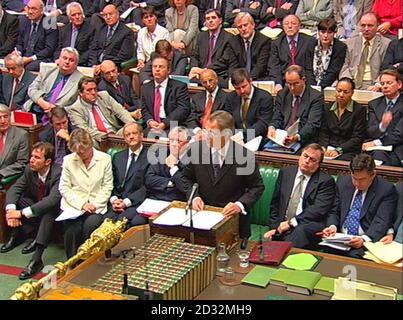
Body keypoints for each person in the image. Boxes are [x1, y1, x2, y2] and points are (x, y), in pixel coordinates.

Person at [182, 110, 265, 245]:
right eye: (205, 131)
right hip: (203, 217)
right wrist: (195, 196)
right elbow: (187, 178)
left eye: (212, 133)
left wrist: (240, 204)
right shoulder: (197, 150)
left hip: (232, 221)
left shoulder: (244, 156)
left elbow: (257, 187)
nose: (206, 136)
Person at [1, 142, 61, 280]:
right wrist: (11, 212)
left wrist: (21, 213)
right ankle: (18, 234)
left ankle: (37, 259)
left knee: (48, 211)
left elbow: (51, 201)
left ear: (48, 162)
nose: (32, 160)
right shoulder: (29, 169)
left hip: (55, 213)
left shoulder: (58, 173)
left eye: (37, 157)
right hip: (36, 207)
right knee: (20, 199)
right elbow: (15, 189)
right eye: (32, 156)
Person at [322, 154, 397, 258]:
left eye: (362, 179)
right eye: (354, 178)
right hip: (340, 237)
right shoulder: (343, 182)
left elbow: (381, 221)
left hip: (365, 239)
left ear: (373, 174)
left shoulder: (386, 190)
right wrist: (332, 226)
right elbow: (334, 211)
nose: (357, 183)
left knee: (354, 256)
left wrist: (364, 239)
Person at [264, 143, 336, 249]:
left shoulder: (325, 181)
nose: (307, 161)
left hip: (307, 225)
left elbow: (317, 210)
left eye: (312, 159)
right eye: (305, 156)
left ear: (319, 164)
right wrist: (275, 228)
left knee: (300, 231)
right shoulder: (286, 173)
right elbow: (275, 204)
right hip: (283, 226)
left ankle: (280, 253)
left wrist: (291, 222)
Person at [59, 128, 113, 259]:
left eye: (84, 151)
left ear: (90, 145)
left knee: (90, 226)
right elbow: (64, 187)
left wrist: (93, 205)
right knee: (72, 230)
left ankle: (87, 262)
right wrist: (82, 204)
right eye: (78, 152)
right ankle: (72, 262)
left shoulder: (104, 159)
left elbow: (107, 186)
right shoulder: (68, 160)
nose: (81, 154)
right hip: (74, 205)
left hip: (96, 205)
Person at [67, 77, 136, 149]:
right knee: (87, 141)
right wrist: (105, 137)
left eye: (95, 89)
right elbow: (85, 129)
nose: (93, 93)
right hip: (97, 139)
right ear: (80, 93)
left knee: (130, 129)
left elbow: (121, 112)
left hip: (115, 134)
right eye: (89, 90)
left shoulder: (104, 96)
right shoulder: (75, 109)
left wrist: (132, 124)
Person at [267, 65, 323, 151]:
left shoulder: (315, 97)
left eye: (295, 83)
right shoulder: (282, 94)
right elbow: (277, 117)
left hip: (303, 139)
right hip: (281, 138)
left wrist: (297, 137)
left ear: (303, 80)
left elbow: (312, 124)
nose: (292, 88)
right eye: (289, 84)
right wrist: (272, 128)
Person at [104, 123, 149, 227]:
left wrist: (126, 202)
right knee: (101, 222)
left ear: (141, 135)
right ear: (124, 138)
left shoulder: (150, 158)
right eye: (127, 135)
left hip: (136, 203)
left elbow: (147, 187)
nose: (131, 137)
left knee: (121, 223)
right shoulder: (117, 157)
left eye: (134, 133)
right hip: (116, 202)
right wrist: (114, 199)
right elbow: (111, 182)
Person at [24, 47, 83, 123]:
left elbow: (79, 105)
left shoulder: (81, 80)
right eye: (64, 58)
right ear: (59, 59)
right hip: (35, 109)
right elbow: (32, 88)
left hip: (59, 117)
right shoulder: (47, 71)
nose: (67, 62)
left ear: (76, 64)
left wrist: (56, 109)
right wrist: (41, 102)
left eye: (71, 60)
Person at [318, 77, 367, 161]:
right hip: (329, 147)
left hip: (348, 150)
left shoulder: (359, 110)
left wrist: (339, 150)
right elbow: (323, 132)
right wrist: (323, 147)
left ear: (352, 93)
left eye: (345, 92)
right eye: (339, 91)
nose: (341, 95)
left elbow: (357, 138)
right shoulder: (327, 108)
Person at [339, 12, 391, 91]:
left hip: (373, 84)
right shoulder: (350, 43)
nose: (366, 29)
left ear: (377, 26)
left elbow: (387, 69)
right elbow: (344, 65)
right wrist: (347, 81)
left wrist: (378, 84)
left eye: (370, 25)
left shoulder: (386, 44)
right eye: (363, 25)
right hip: (351, 81)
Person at [363, 69, 403, 166]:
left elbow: (399, 134)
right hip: (376, 149)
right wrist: (382, 126)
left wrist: (377, 143)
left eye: (389, 83)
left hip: (398, 148)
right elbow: (370, 131)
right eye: (382, 83)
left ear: (399, 85)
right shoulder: (374, 104)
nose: (385, 86)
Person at [141, 56, 190, 134]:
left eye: (161, 67)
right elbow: (144, 109)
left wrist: (165, 124)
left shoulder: (179, 86)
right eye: (154, 67)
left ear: (168, 70)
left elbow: (183, 109)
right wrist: (150, 121)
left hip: (172, 125)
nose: (157, 69)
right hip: (152, 125)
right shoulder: (146, 87)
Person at [267, 14, 316, 91]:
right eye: (286, 24)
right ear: (283, 27)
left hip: (304, 82)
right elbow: (274, 66)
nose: (290, 26)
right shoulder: (276, 43)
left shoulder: (309, 41)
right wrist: (278, 83)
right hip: (284, 82)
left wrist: (312, 87)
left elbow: (311, 66)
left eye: (293, 23)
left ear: (299, 26)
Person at [218, 12, 271, 81]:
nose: (243, 29)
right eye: (240, 27)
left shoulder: (264, 41)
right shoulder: (233, 41)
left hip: (259, 78)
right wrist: (237, 80)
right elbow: (233, 66)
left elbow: (260, 66)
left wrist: (247, 80)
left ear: (253, 25)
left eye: (245, 25)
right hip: (239, 79)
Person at [225, 68, 273, 141]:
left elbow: (263, 124)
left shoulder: (265, 97)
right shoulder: (231, 97)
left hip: (258, 138)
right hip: (236, 138)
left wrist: (243, 135)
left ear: (250, 81)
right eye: (237, 88)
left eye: (244, 86)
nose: (242, 91)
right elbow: (228, 120)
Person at [145, 126, 188, 202]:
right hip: (155, 199)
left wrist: (173, 167)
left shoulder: (190, 160)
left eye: (179, 141)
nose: (174, 144)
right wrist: (171, 182)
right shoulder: (161, 154)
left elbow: (185, 186)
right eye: (172, 140)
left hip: (177, 201)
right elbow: (149, 179)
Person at [190, 9, 233, 82]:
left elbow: (225, 60)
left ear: (220, 20)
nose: (210, 21)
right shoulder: (201, 36)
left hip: (218, 75)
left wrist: (205, 71)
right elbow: (194, 56)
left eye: (213, 17)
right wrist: (195, 68)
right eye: (207, 18)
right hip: (200, 75)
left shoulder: (229, 38)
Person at [16, 0, 59, 71]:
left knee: (29, 67)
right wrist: (19, 53)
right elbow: (19, 43)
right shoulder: (23, 20)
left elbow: (49, 49)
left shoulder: (49, 22)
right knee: (10, 61)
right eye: (28, 8)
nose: (30, 11)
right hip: (23, 56)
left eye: (33, 9)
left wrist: (31, 58)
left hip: (40, 58)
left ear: (42, 10)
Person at [55, 2, 95, 66]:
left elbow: (90, 51)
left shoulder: (91, 30)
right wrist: (58, 59)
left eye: (79, 14)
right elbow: (58, 49)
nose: (77, 17)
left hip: (80, 63)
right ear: (69, 17)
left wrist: (73, 61)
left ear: (83, 14)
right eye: (73, 15)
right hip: (64, 63)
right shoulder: (64, 30)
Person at [312, 18, 347, 88]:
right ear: (318, 32)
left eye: (329, 32)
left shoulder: (340, 47)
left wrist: (319, 87)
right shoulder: (311, 44)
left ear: (334, 33)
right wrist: (313, 87)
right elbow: (308, 69)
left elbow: (333, 71)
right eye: (323, 32)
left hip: (330, 84)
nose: (325, 35)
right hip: (311, 84)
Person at [136, 6, 170, 71]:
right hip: (146, 65)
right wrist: (141, 61)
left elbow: (166, 54)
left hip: (160, 65)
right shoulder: (141, 32)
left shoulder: (164, 32)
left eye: (151, 16)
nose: (149, 19)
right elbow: (140, 51)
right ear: (142, 20)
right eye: (146, 17)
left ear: (155, 17)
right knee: (136, 74)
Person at [0, 104, 29, 181]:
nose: (2, 121)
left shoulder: (21, 135)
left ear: (10, 117)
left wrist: (1, 173)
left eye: (5, 117)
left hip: (5, 177)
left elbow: (21, 163)